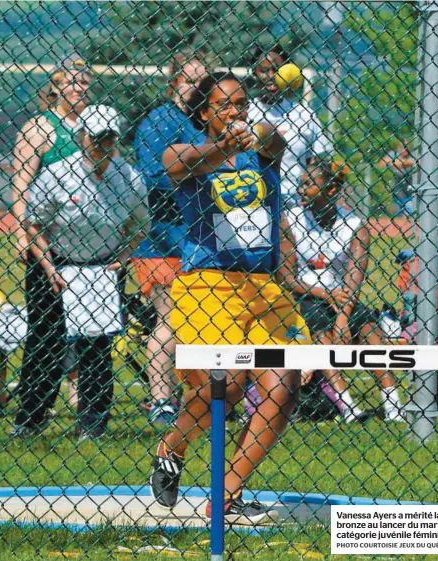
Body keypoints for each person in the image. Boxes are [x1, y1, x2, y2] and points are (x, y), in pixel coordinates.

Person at [151, 72, 311, 524]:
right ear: (204, 112)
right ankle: (172, 448)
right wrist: (224, 147)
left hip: (263, 286)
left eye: (241, 103)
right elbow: (181, 165)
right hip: (208, 284)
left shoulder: (261, 146)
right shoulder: (184, 149)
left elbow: (274, 139)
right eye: (223, 105)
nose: (235, 111)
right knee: (226, 384)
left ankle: (226, 493)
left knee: (283, 385)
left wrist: (251, 132)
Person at [11, 105, 149, 439]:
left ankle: (92, 425)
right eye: (96, 137)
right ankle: (30, 420)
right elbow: (34, 223)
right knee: (45, 343)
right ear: (81, 136)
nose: (102, 144)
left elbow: (140, 224)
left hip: (100, 268)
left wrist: (123, 257)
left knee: (97, 347)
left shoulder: (128, 177)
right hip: (56, 265)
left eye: (109, 138)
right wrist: (47, 264)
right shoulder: (58, 173)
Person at [284, 155, 403, 422]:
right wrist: (325, 295)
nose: (301, 190)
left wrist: (343, 317)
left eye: (309, 184)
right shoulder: (290, 219)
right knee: (319, 330)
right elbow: (285, 277)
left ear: (332, 190)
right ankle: (348, 407)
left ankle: (393, 405)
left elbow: (353, 280)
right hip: (304, 296)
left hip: (342, 300)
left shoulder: (355, 226)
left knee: (371, 329)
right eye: (301, 184)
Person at [132, 50, 207, 426]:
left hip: (201, 240)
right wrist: (196, 173)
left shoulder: (202, 122)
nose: (197, 87)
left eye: (202, 81)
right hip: (164, 238)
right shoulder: (160, 121)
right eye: (190, 79)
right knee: (170, 319)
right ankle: (162, 399)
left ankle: (198, 396)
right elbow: (151, 176)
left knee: (200, 321)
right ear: (173, 82)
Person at [11, 55, 91, 260]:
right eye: (71, 82)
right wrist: (22, 234)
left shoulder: (97, 125)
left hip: (93, 239)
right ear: (55, 87)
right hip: (48, 239)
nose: (79, 88)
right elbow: (21, 182)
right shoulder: (40, 127)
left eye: (84, 82)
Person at [248, 44, 333, 209]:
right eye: (264, 70)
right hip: (254, 202)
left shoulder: (304, 114)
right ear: (254, 74)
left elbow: (317, 163)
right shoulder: (246, 112)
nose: (271, 76)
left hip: (296, 205)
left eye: (277, 69)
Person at [378, 140, 415, 217]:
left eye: (406, 147)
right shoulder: (393, 154)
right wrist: (403, 163)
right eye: (402, 147)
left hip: (410, 190)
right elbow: (382, 163)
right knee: (398, 215)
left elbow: (412, 162)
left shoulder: (413, 155)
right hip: (396, 190)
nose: (404, 149)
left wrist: (395, 163)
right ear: (398, 148)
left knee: (409, 212)